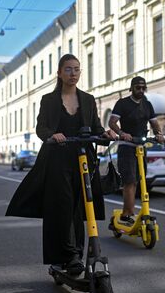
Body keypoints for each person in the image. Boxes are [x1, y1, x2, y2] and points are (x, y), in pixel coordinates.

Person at [6, 54, 116, 276]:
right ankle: (68, 256)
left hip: (84, 159)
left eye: (76, 69)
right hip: (57, 160)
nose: (73, 73)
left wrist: (105, 133)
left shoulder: (87, 99)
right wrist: (53, 135)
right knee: (62, 206)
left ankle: (77, 253)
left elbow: (94, 128)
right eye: (68, 69)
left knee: (80, 207)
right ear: (59, 73)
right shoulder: (49, 100)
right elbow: (41, 128)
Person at [108, 76, 164, 225]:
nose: (140, 90)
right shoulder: (122, 103)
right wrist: (122, 134)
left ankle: (132, 211)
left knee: (139, 180)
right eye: (137, 87)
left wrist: (159, 134)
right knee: (130, 181)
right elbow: (112, 122)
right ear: (131, 88)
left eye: (143, 88)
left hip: (141, 146)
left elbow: (154, 123)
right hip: (127, 147)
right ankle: (127, 214)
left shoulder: (147, 104)